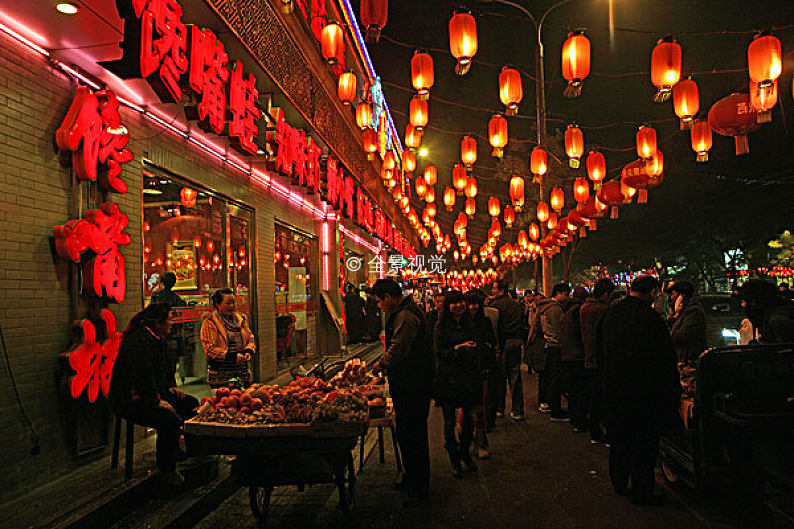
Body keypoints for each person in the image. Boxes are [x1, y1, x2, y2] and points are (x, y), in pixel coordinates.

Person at [599, 276, 680, 505]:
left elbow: (600, 349)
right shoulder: (650, 317)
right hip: (643, 392)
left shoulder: (611, 313)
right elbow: (663, 359)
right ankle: (642, 490)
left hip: (615, 387)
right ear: (653, 291)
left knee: (620, 439)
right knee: (643, 444)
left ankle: (619, 481)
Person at [109, 303, 200, 487]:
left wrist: (170, 387)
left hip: (153, 393)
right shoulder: (139, 342)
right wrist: (156, 401)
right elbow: (142, 376)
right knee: (169, 419)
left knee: (191, 404)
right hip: (131, 400)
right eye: (170, 320)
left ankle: (183, 451)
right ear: (158, 323)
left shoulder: (158, 338)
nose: (172, 323)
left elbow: (163, 370)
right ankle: (167, 469)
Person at [372, 279, 434, 507]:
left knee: (413, 434)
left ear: (388, 297)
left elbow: (399, 348)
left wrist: (381, 364)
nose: (379, 306)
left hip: (414, 386)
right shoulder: (404, 312)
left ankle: (418, 489)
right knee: (408, 433)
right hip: (410, 385)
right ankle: (412, 478)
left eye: (379, 301)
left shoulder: (406, 316)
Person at [434, 290, 482, 477]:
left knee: (469, 418)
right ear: (447, 306)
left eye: (461, 302)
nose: (459, 306)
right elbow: (439, 353)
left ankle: (465, 453)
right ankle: (454, 458)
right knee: (449, 421)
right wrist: (458, 348)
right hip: (449, 378)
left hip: (469, 376)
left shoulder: (470, 323)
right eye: (454, 303)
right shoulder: (440, 326)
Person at [580, 278, 615, 443]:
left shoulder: (584, 308)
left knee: (592, 396)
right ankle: (605, 432)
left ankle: (594, 431)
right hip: (601, 359)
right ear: (606, 294)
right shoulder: (603, 310)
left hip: (588, 357)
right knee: (603, 398)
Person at [465, 289, 498, 459]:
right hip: (464, 371)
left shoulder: (484, 322)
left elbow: (491, 343)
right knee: (465, 408)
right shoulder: (460, 324)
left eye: (475, 303)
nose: (472, 307)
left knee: (479, 407)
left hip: (481, 370)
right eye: (469, 303)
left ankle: (481, 441)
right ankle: (467, 440)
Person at [200, 289, 256, 388]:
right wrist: (231, 357)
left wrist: (249, 351)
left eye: (233, 302)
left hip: (242, 373)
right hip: (220, 376)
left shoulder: (241, 319)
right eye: (228, 303)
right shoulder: (210, 322)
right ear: (218, 304)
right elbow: (209, 349)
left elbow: (250, 338)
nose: (232, 306)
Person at [488, 279, 526, 420]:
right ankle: (518, 410)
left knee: (500, 377)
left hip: (503, 342)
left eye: (494, 288)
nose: (492, 291)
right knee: (515, 377)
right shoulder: (516, 306)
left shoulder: (495, 306)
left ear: (501, 290)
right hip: (516, 342)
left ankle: (500, 408)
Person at [532, 283, 570, 421]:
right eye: (566, 294)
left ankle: (546, 403)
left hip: (545, 345)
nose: (567, 297)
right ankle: (555, 410)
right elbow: (558, 330)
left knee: (547, 377)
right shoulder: (554, 309)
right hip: (554, 346)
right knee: (554, 379)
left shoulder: (544, 307)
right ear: (559, 293)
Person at [561, 286, 588, 431]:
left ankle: (573, 417)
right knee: (579, 389)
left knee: (572, 389)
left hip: (567, 354)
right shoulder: (578, 311)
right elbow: (580, 333)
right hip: (577, 355)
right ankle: (579, 420)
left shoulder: (566, 310)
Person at [668, 281, 708, 364]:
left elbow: (682, 335)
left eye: (673, 294)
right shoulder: (681, 311)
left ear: (682, 296)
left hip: (688, 360)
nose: (671, 298)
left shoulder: (693, 311)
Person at [527, 292, 549, 412]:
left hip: (540, 344)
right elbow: (533, 328)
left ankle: (544, 399)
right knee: (544, 373)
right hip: (541, 344)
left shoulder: (539, 312)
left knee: (544, 374)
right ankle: (543, 400)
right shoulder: (538, 313)